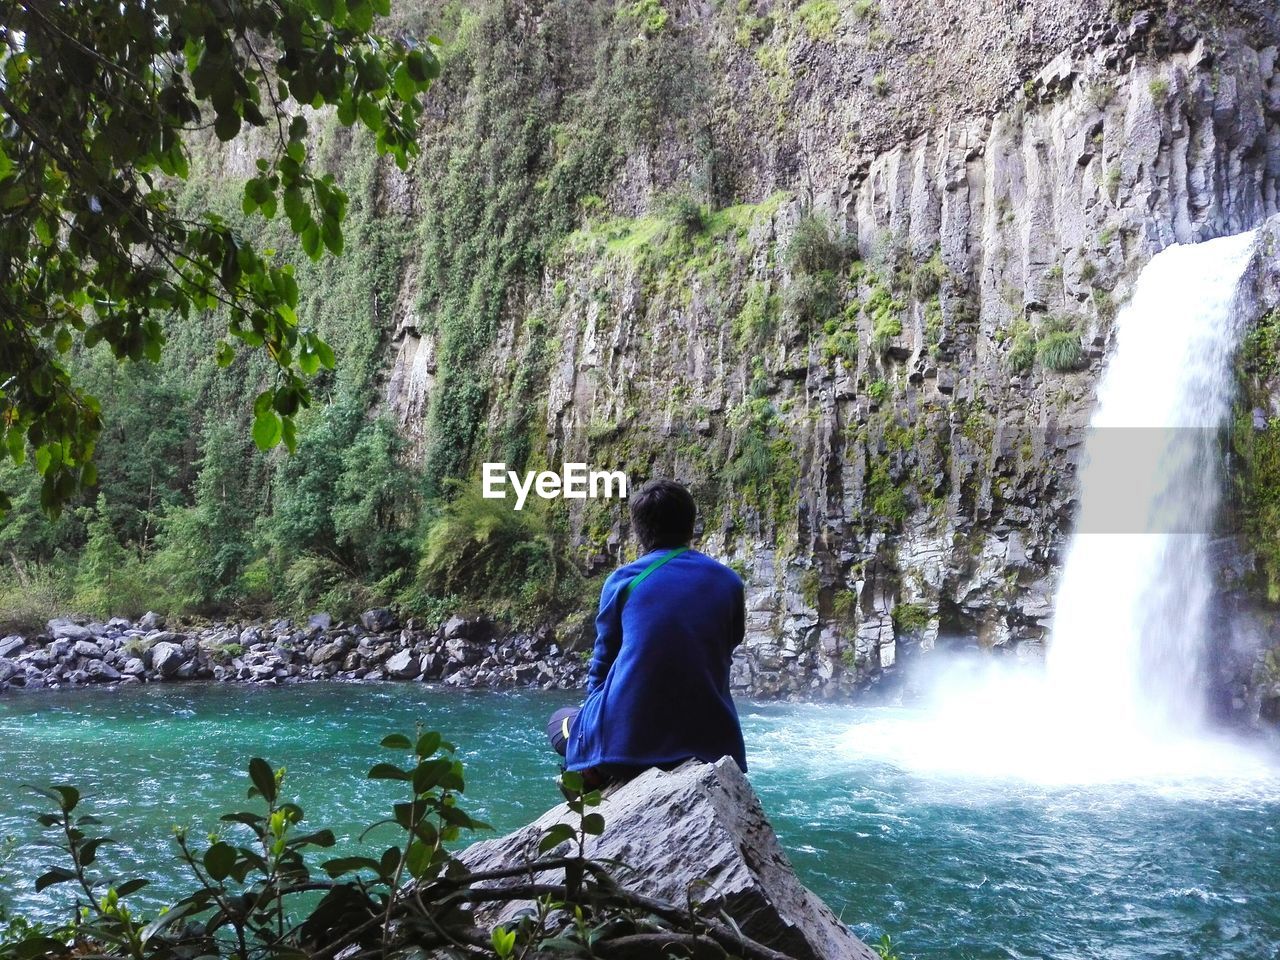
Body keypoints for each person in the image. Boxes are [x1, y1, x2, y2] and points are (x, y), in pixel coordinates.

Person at [546, 478, 747, 787]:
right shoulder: (730, 583)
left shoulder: (623, 581)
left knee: (559, 721)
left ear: (639, 532)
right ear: (691, 526)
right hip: (712, 744)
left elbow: (601, 666)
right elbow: (726, 646)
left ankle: (593, 773)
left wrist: (594, 730)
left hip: (627, 748)